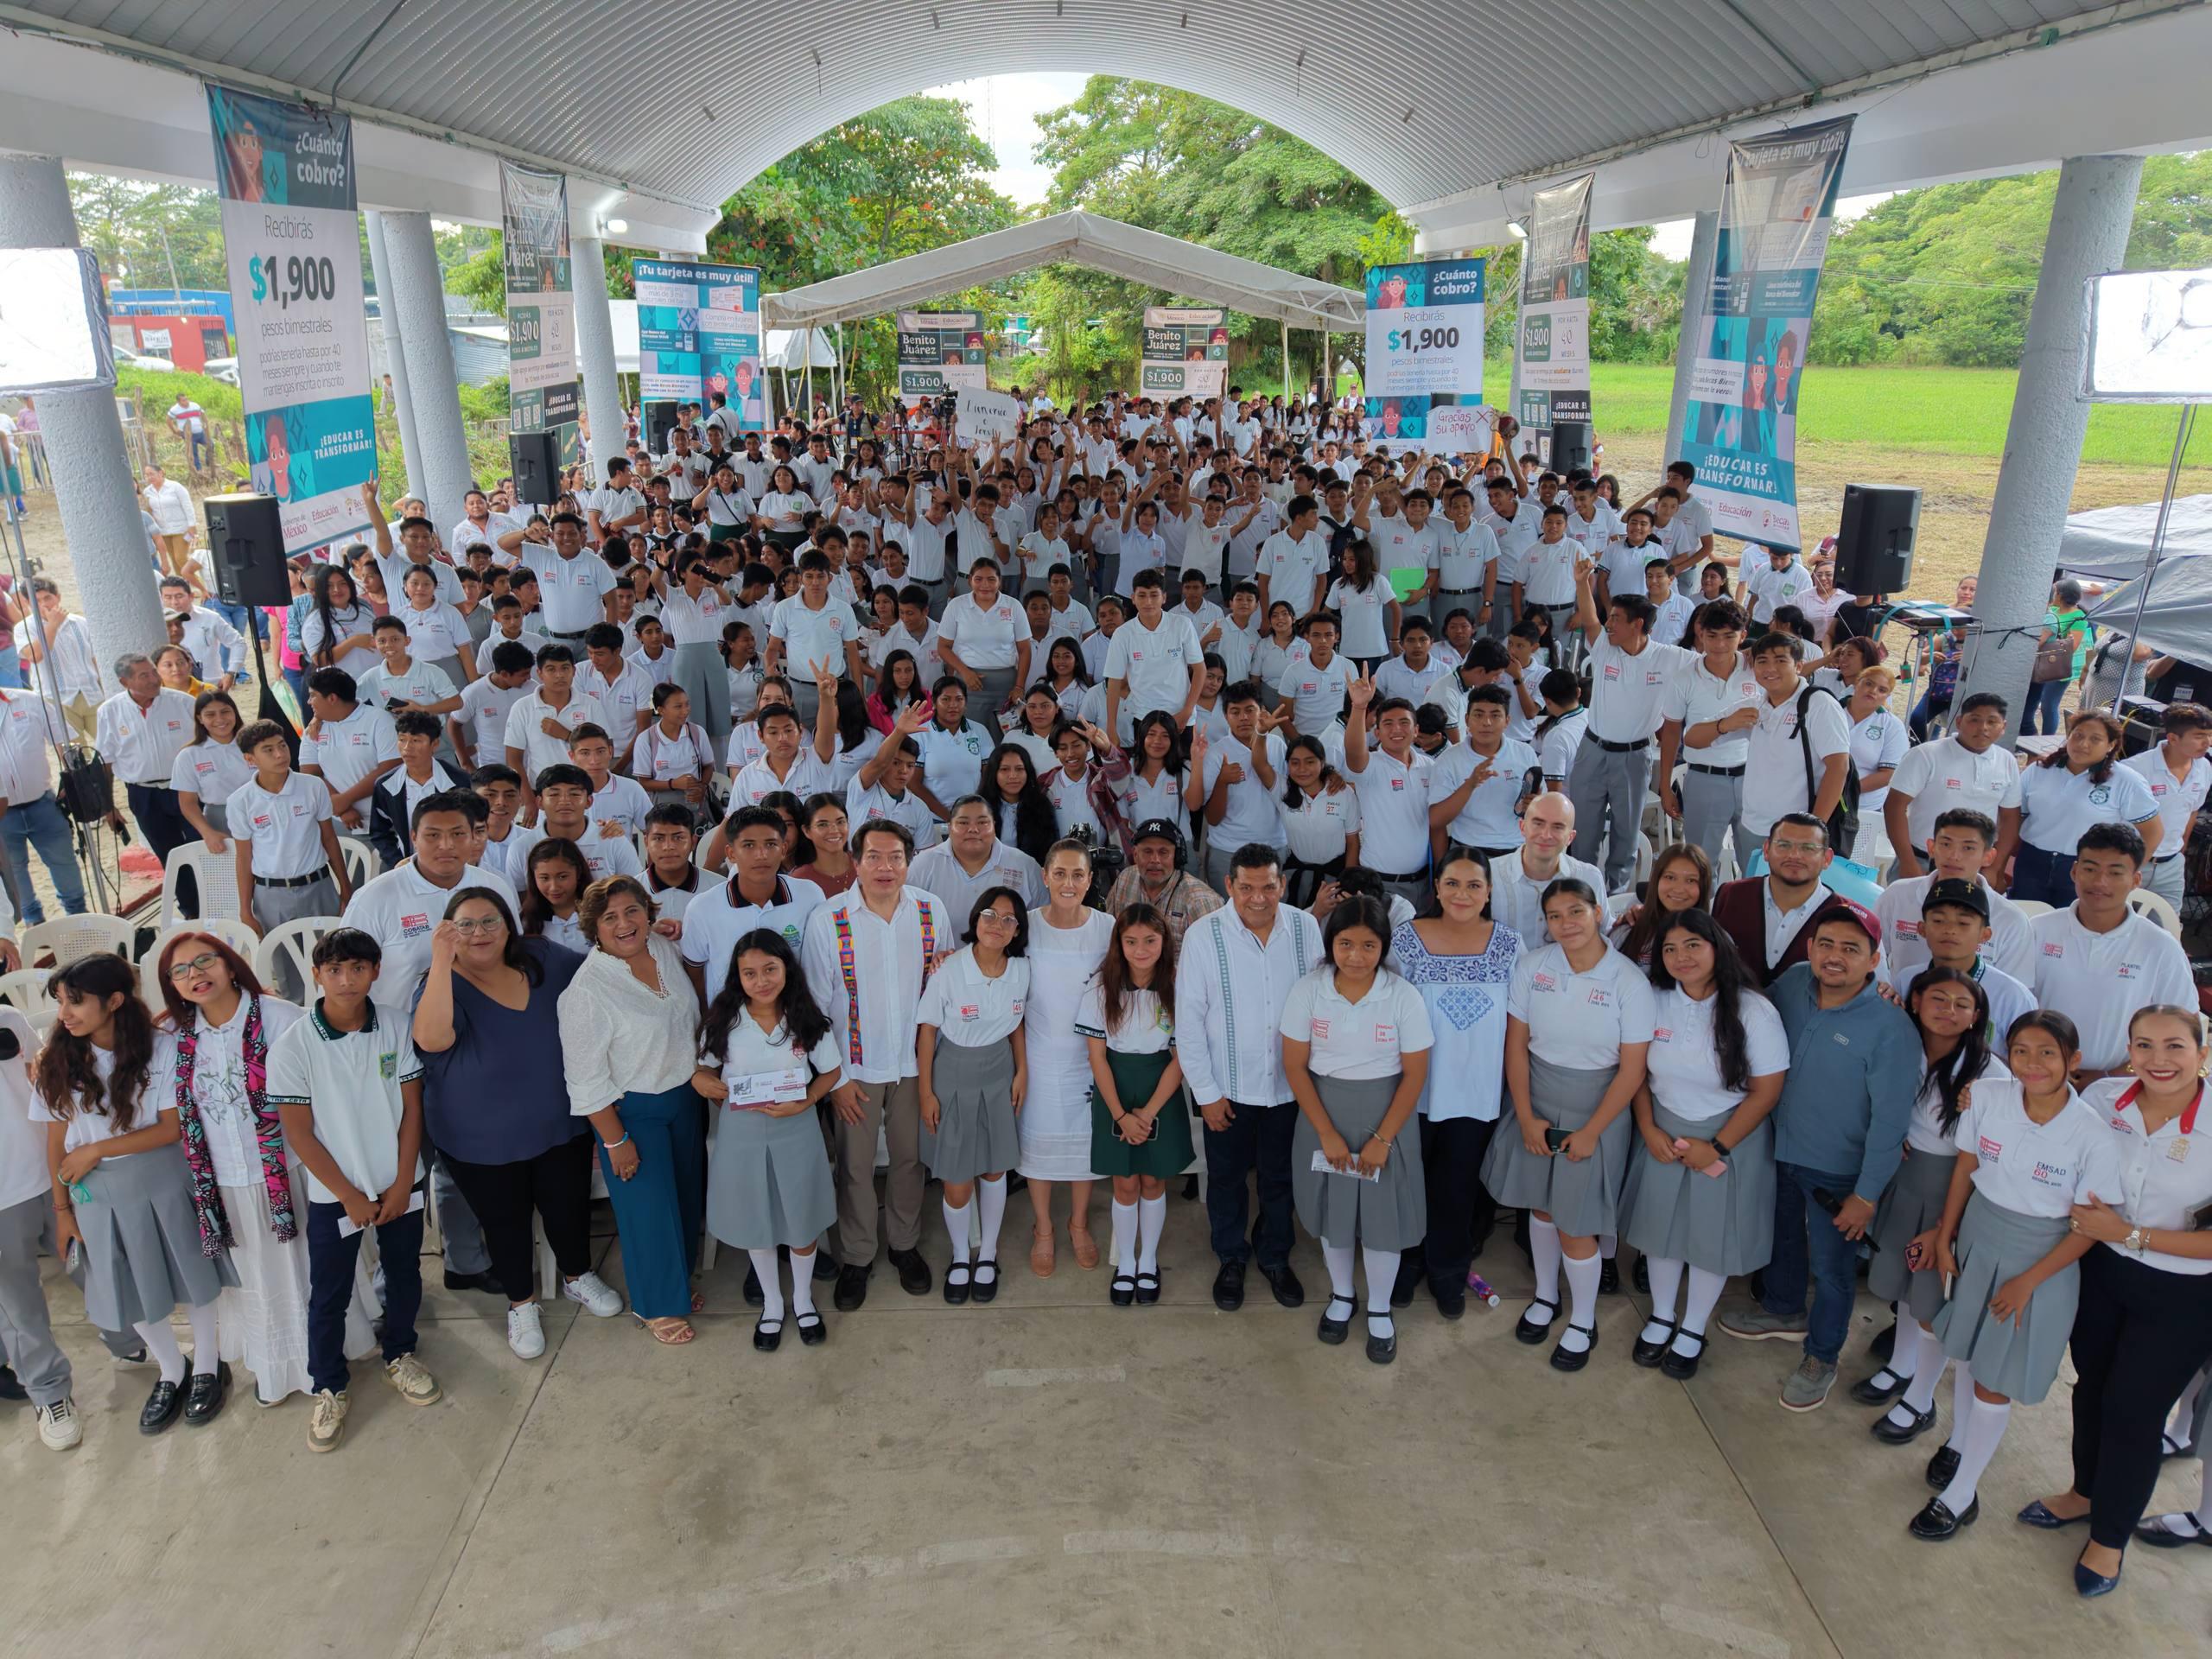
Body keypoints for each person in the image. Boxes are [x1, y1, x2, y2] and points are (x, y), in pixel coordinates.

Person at [1896, 1011, 2117, 1541]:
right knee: (1970, 1354)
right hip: (1979, 1236)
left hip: (2043, 1258)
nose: (2033, 1064)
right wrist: (1946, 1236)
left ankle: (1961, 1492)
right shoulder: (1990, 1097)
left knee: (1997, 1381)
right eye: (2021, 1051)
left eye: (2047, 1052)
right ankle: (1958, 1442)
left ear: (2074, 1060)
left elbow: (2089, 1227)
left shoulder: (2093, 1135)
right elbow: (1966, 1169)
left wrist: (2029, 1280)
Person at [2028, 1006, 2212, 1592]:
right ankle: (2084, 1492)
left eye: (2176, 1046)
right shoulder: (2105, 1099)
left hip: (2183, 1290)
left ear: (2203, 1053)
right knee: (2092, 1389)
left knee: (2135, 1411)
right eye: (2144, 1045)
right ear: (2128, 1051)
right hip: (2104, 1273)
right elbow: (2043, 1111)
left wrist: (2129, 1234)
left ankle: (2109, 1538)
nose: (2159, 1059)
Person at [151, 931, 375, 1412]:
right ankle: (278, 1363)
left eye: (204, 962)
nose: (195, 975)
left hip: (291, 1172)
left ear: (231, 965)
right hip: (226, 1180)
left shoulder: (281, 1019)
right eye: (181, 970)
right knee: (258, 1276)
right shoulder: (173, 1035)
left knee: (311, 1269)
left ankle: (327, 1358)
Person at [1719, 908, 1919, 1410]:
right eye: (1826, 943)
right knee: (1783, 1235)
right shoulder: (1791, 983)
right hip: (1780, 1149)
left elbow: (1891, 1125)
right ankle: (1785, 1309)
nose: (1835, 957)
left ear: (1876, 960)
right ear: (1810, 948)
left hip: (1838, 1171)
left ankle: (1823, 1355)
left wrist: (1866, 1195)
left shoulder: (1891, 1028)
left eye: (1851, 949)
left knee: (1832, 1268)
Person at [411, 888, 623, 1360]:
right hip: (479, 1138)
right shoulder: (438, 983)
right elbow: (431, 1038)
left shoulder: (542, 956)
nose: (479, 933)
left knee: (566, 1205)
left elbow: (601, 964)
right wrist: (443, 962)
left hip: (558, 1122)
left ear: (509, 925)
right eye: (464, 925)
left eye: (490, 922)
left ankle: (577, 1275)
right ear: (448, 933)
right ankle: (521, 1303)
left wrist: (658, 939)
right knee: (504, 1222)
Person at [35, 954, 234, 1434]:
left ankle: (208, 1363)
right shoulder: (58, 1056)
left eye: (76, 1001)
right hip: (96, 1191)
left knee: (191, 1272)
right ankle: (172, 1368)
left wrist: (96, 1150)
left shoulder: (160, 1047)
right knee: (121, 1282)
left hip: (163, 1175)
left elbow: (170, 1129)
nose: (65, 1013)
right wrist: (62, 1209)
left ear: (115, 1000)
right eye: (61, 1001)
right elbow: (56, 1140)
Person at [1480, 879, 1654, 1370]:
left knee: (1578, 1222)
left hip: (1598, 1106)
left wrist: (1594, 1130)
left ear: (1598, 913)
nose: (1566, 924)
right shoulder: (1533, 967)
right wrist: (1528, 1116)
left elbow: (1632, 1069)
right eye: (1555, 916)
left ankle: (1583, 1319)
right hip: (1536, 1096)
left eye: (1575, 912)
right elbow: (1516, 1046)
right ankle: (1544, 1296)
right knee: (1541, 1209)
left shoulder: (1627, 981)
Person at [1624, 911, 1786, 1380]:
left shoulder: (1755, 1011)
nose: (1681, 957)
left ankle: (1693, 1326)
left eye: (1693, 945)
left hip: (1728, 1134)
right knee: (1662, 1230)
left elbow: (1766, 1091)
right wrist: (1649, 1129)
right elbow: (1635, 1073)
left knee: (1709, 1238)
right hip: (1664, 1130)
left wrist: (1717, 1147)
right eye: (1670, 949)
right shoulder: (1652, 1002)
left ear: (1719, 947)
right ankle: (1660, 1315)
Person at [799, 819, 949, 1309]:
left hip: (913, 1067)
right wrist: (835, 1079)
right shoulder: (828, 919)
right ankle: (859, 1257)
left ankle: (904, 1247)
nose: (885, 868)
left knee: (909, 1161)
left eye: (895, 858)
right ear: (855, 861)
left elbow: (942, 989)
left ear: (909, 861)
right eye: (874, 857)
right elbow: (815, 1009)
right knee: (856, 1168)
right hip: (853, 1071)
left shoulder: (931, 911)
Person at [1280, 895, 1433, 1364]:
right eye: (1345, 944)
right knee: (1335, 1212)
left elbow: (1415, 1074)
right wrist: (1325, 1133)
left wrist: (1383, 1139)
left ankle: (1381, 1309)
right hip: (1324, 1116)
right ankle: (1343, 1295)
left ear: (1383, 947)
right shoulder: (1309, 991)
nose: (1356, 956)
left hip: (1386, 1119)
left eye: (1369, 945)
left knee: (1383, 1219)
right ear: (1330, 944)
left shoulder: (1402, 996)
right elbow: (1295, 1066)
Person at [1177, 842, 1325, 1312]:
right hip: (1229, 1090)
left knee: (1281, 1179)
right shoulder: (1204, 936)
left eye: (1268, 887)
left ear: (1282, 884)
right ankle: (1231, 1257)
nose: (1258, 897)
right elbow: (1189, 1021)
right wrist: (1206, 1094)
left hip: (1290, 1089)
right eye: (1247, 887)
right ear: (1229, 886)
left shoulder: (1305, 928)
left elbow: (1321, 1004)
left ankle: (1276, 1256)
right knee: (1226, 1179)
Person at [559, 876, 706, 1346]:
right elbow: (585, 1080)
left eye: (632, 911)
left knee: (684, 1197)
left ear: (647, 912)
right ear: (594, 928)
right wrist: (615, 1140)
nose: (624, 924)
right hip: (632, 1111)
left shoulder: (661, 947)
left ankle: (676, 1284)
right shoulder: (585, 992)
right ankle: (655, 1303)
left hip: (684, 1096)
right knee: (646, 1210)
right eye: (610, 918)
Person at [1858, 969, 2004, 1422]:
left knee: (1931, 1301)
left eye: (1962, 1004)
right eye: (1937, 999)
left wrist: (1948, 1224)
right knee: (1904, 1285)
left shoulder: (1989, 1074)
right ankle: (1901, 1366)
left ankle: (1921, 1398)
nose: (1948, 1011)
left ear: (1976, 1016)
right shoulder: (1901, 1044)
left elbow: (1989, 1156)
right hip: (1904, 1177)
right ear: (1915, 1002)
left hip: (1951, 1189)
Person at [1387, 848, 1520, 1316]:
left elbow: (1519, 1022)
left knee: (1457, 1186)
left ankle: (1448, 1270)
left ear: (1488, 892)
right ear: (1436, 888)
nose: (1462, 894)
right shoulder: (1405, 940)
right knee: (1410, 1182)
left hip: (1477, 1090)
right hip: (1414, 1089)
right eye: (1452, 883)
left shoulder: (1508, 944)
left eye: (1474, 885)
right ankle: (1406, 1264)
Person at [696, 929, 842, 1350]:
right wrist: (702, 1082)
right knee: (755, 1220)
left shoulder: (806, 1020)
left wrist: (809, 1100)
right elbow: (702, 1070)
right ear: (737, 977)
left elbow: (830, 1071)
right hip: (741, 1134)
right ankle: (773, 1304)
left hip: (796, 1128)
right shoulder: (722, 1022)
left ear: (787, 970)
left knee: (802, 1219)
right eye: (749, 973)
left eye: (770, 970)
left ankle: (802, 1298)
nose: (761, 981)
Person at [915, 887, 1032, 1306]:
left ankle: (989, 1254)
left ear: (1018, 930)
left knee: (995, 1170)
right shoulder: (949, 969)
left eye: (1008, 919)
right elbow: (927, 1030)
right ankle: (961, 1255)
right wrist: (926, 1092)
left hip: (999, 1073)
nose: (997, 925)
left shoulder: (1021, 970)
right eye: (989, 914)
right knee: (957, 1179)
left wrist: (1023, 1071)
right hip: (953, 1074)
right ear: (975, 920)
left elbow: (1016, 1023)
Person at [1078, 903, 1194, 1306]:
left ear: (1165, 942)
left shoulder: (1179, 986)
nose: (1141, 949)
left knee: (1153, 1180)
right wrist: (1120, 1115)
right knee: (1125, 1182)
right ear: (1119, 944)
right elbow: (1097, 1059)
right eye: (1131, 941)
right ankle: (1125, 1262)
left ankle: (1149, 1260)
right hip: (1116, 1090)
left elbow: (1181, 1058)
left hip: (1160, 1089)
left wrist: (1146, 1113)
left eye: (1150, 940)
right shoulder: (1101, 987)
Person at [2028, 823, 2194, 1084]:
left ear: (2136, 881)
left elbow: (2184, 1030)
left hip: (2123, 1087)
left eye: (2115, 873)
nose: (2100, 882)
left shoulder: (2160, 947)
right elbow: (2011, 1010)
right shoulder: (2037, 931)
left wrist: (2110, 1076)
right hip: (2038, 1078)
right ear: (2074, 871)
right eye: (2090, 869)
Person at [1564, 570, 1692, 892]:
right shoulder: (1605, 648)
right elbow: (1591, 619)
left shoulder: (1670, 657)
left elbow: (1715, 662)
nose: (1609, 624)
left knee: (1626, 834)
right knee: (1584, 832)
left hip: (1634, 758)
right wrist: (1582, 584)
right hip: (1591, 752)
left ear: (1637, 624)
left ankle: (1616, 896)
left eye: (1617, 618)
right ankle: (1583, 894)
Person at [1020, 841, 1113, 1277]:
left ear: (1090, 879)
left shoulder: (1108, 927)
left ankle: (1078, 1224)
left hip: (1090, 1058)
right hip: (1038, 1055)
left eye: (1078, 875)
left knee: (1084, 1150)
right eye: (1060, 874)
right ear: (1045, 876)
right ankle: (1043, 1229)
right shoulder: (1026, 926)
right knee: (1038, 1148)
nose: (1069, 883)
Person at [2010, 710, 2160, 905]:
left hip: (2089, 867)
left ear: (2111, 745)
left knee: (2074, 926)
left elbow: (2153, 832)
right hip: (2032, 862)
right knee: (2027, 920)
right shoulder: (2040, 770)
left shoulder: (2127, 781)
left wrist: (2125, 870)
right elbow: (2016, 819)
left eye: (2095, 739)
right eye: (2078, 735)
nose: (2083, 744)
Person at [1875, 810, 2037, 988]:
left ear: (1988, 856)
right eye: (1946, 844)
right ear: (1931, 848)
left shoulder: (2011, 920)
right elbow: (1872, 952)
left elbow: (2014, 989)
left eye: (1968, 848)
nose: (1954, 856)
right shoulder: (1897, 895)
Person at [1709, 815, 1858, 989]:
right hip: (1731, 1013)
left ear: (1827, 858)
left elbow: (1872, 987)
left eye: (1808, 848)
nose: (1794, 855)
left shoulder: (1849, 916)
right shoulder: (1729, 896)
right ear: (1766, 850)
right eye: (1784, 845)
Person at [96, 652, 200, 863]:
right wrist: (108, 806)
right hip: (144, 795)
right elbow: (105, 762)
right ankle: (188, 898)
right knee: (170, 857)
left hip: (187, 789)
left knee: (203, 850)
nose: (154, 679)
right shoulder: (110, 712)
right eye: (144, 676)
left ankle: (212, 897)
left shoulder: (184, 703)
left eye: (154, 672)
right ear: (124, 682)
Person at [1340, 681, 1433, 911]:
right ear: (1377, 732)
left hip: (1422, 882)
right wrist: (1359, 707)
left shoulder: (1430, 766)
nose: (1397, 729)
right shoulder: (1370, 765)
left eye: (1404, 722)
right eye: (1388, 724)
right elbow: (1353, 751)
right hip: (1379, 883)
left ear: (1416, 730)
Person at [1487, 790, 1605, 950]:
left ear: (1570, 838)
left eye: (1557, 827)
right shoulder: (1488, 875)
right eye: (1538, 823)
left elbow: (1605, 934)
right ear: (1522, 827)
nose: (1546, 834)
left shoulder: (1589, 877)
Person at [2122, 700, 2211, 912]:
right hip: (2131, 861)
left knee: (2168, 929)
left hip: (2171, 866)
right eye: (2199, 736)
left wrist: (2180, 849)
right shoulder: (2134, 770)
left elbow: (2192, 811)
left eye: (2209, 735)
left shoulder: (2205, 767)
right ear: (2172, 738)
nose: (2207, 742)